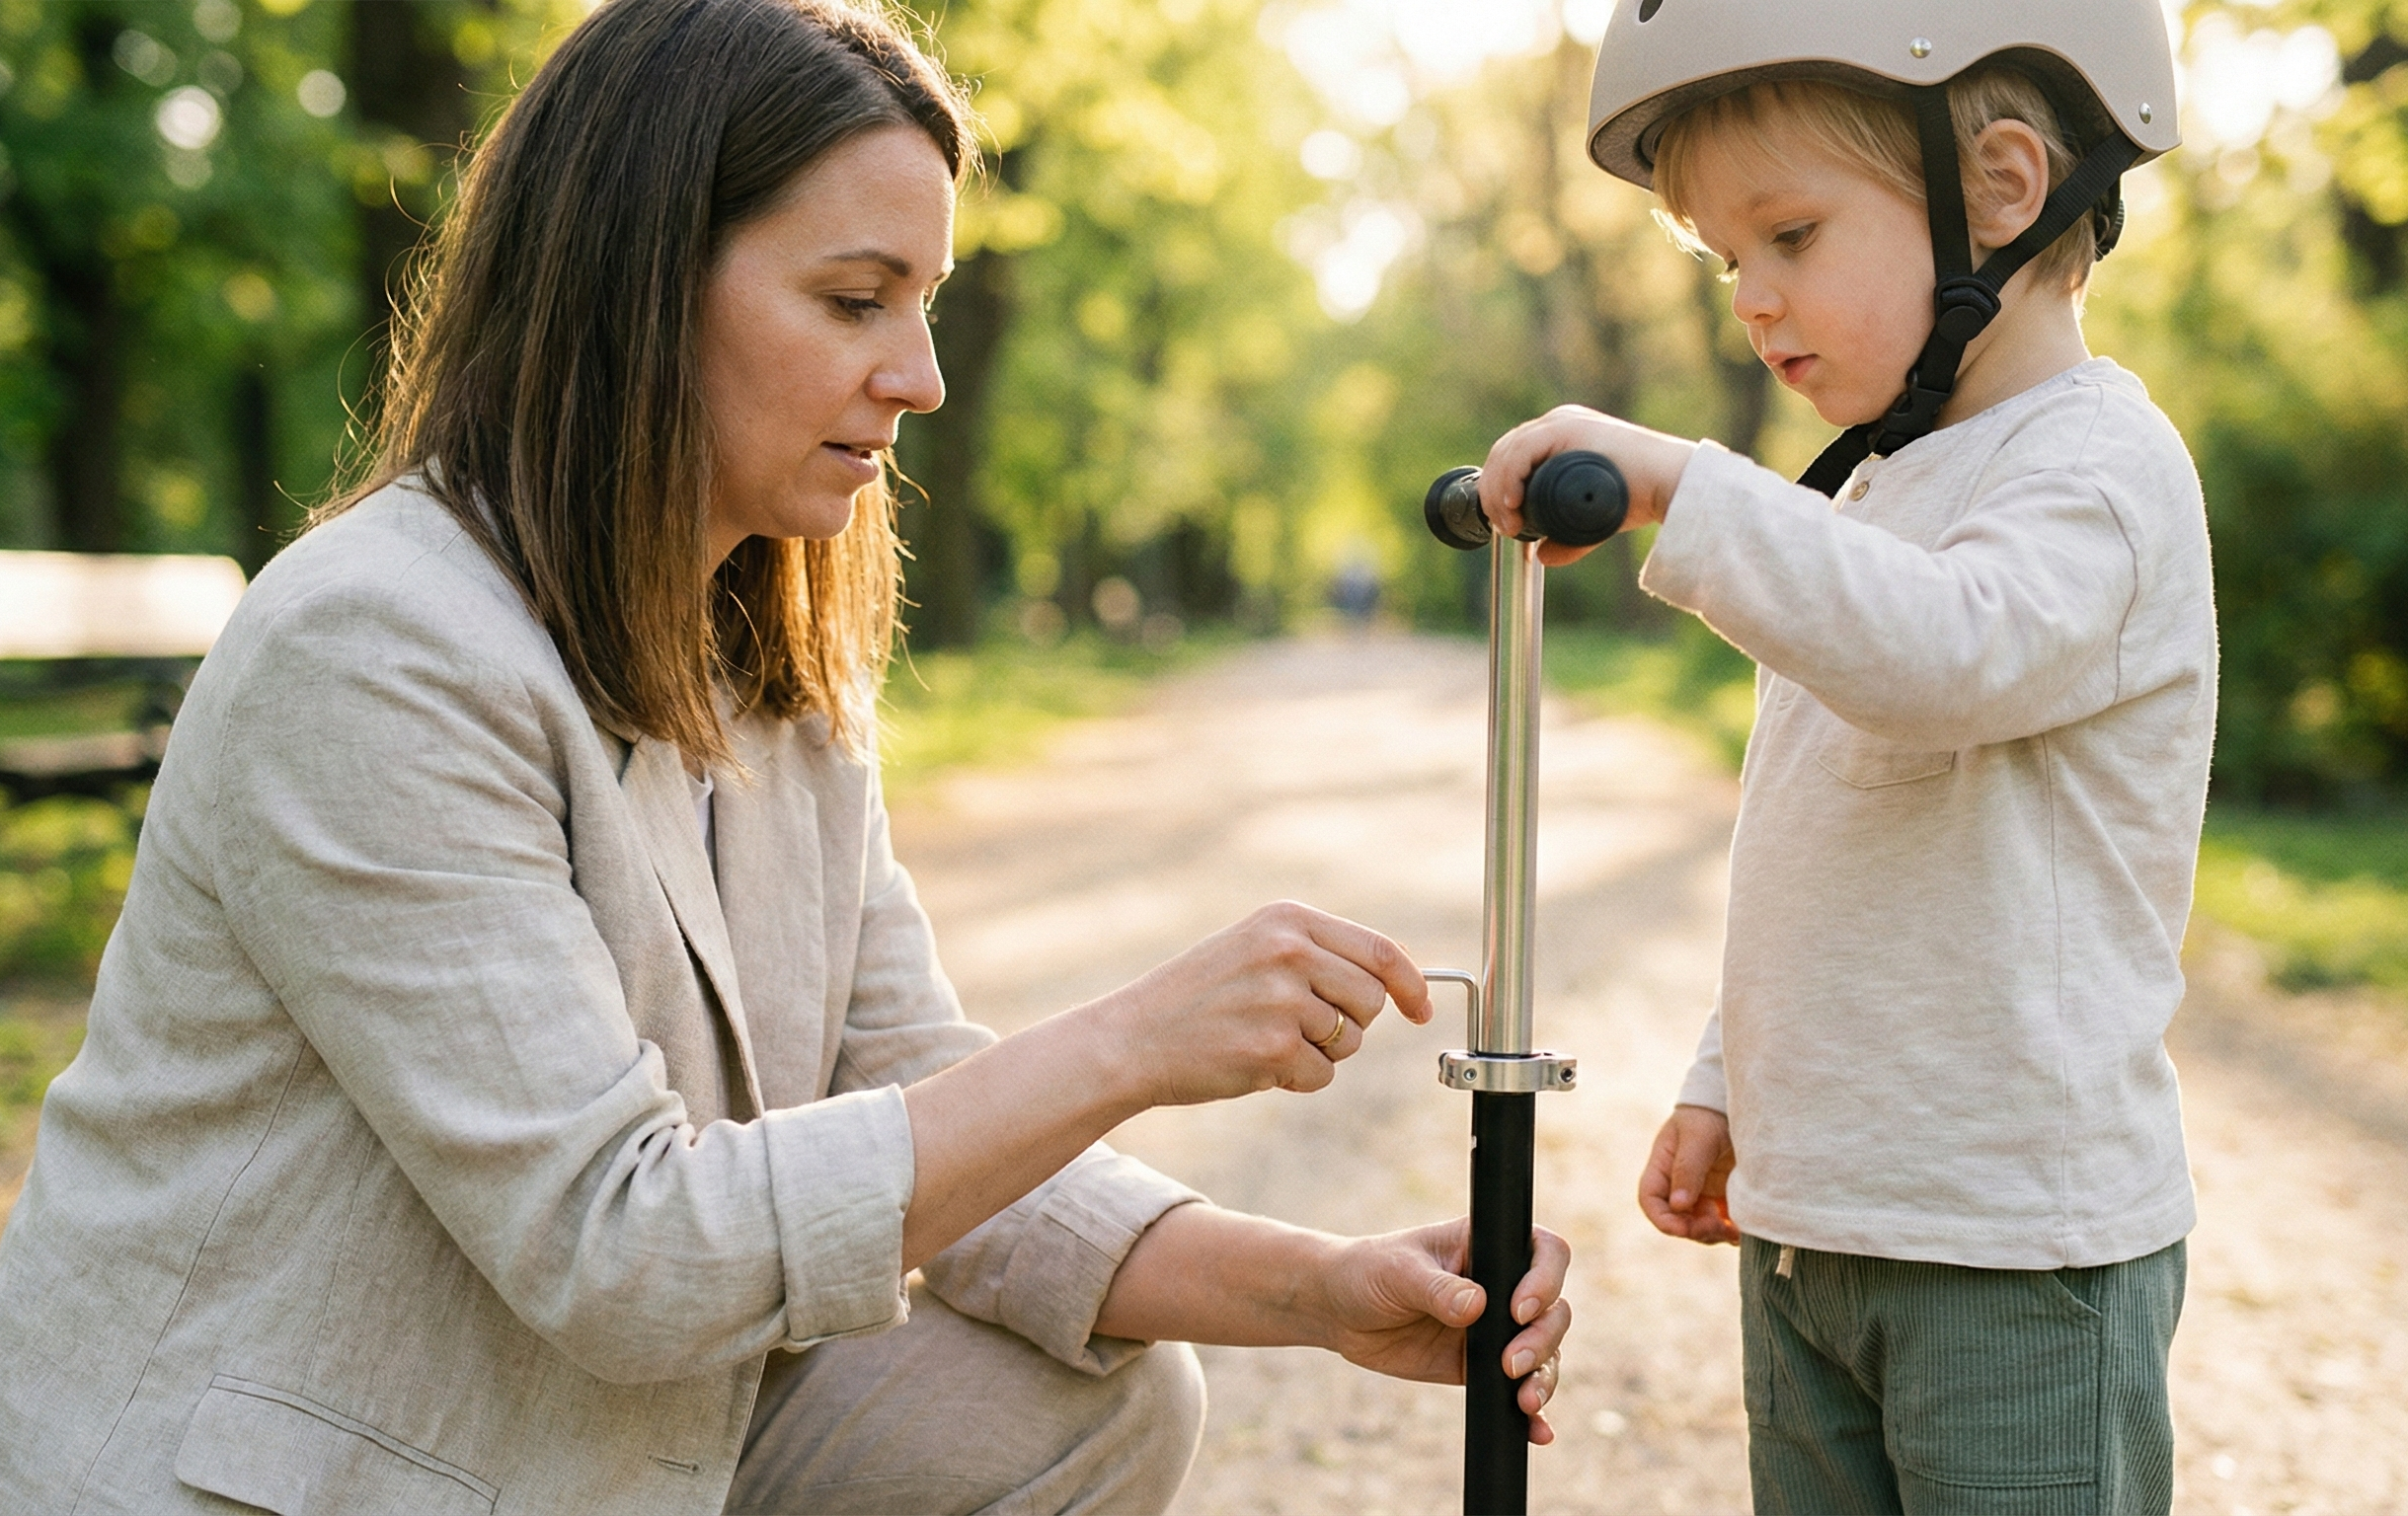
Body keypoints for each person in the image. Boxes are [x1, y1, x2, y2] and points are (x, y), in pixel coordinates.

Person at [0, 3, 1572, 1512]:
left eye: (930, 303)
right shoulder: (373, 653)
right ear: (638, 286)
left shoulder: (770, 672)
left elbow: (903, 1096)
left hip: (574, 1439)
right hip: (303, 1473)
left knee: (1081, 1399)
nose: (921, 374)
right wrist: (1130, 1042)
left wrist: (1317, 1289)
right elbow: (621, 1255)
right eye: (852, 299)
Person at [1471, 5, 2211, 1512]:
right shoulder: (1878, 490)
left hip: (2014, 1249)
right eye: (1724, 258)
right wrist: (1729, 1073)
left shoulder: (2098, 473)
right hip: (1822, 1226)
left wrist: (1684, 485)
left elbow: (1939, 660)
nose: (1751, 298)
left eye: (1790, 234)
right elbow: (1824, 839)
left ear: (2001, 191)